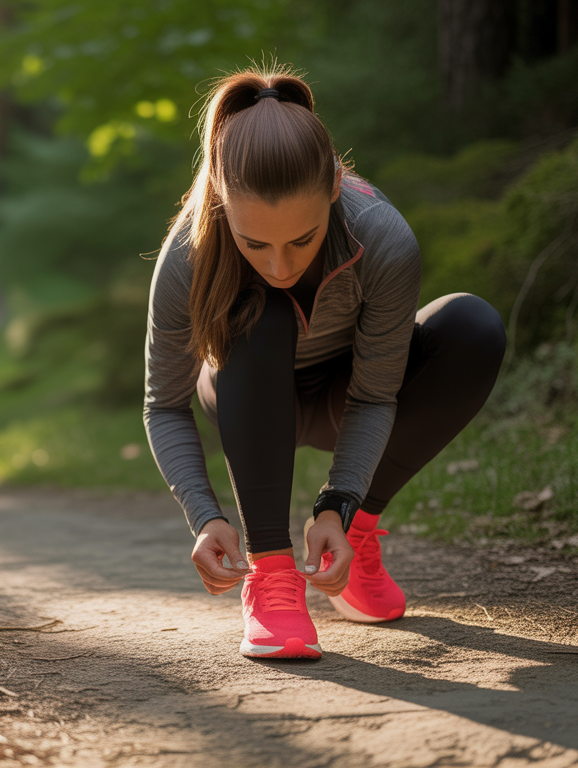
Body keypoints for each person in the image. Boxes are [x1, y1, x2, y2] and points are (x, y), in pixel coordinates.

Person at [143, 64, 506, 659]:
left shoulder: (382, 238)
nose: (280, 267)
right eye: (254, 243)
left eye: (302, 240)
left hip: (349, 392)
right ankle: (272, 574)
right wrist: (205, 517)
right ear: (222, 203)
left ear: (335, 185)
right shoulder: (189, 251)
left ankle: (352, 539)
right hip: (245, 391)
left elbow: (375, 394)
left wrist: (340, 505)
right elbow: (164, 405)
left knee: (473, 327)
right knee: (263, 308)